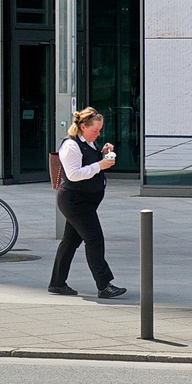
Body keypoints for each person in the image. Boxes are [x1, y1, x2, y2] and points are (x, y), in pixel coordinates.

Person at [48, 107, 127, 299]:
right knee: (94, 239)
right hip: (75, 200)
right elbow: (74, 174)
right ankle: (104, 285)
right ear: (83, 126)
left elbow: (89, 164)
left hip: (85, 200)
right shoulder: (71, 145)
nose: (98, 133)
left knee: (70, 242)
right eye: (95, 130)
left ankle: (57, 283)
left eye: (99, 130)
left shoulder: (88, 142)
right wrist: (100, 165)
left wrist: (103, 154)